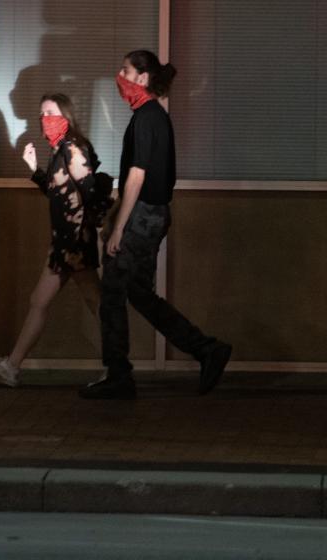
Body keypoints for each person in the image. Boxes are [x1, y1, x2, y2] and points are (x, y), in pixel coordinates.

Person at [79, 50, 232, 400]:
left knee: (115, 293)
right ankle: (206, 349)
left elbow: (137, 174)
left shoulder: (147, 117)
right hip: (151, 213)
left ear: (143, 78)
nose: (120, 76)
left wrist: (119, 226)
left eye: (126, 70)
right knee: (137, 292)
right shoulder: (150, 117)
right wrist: (117, 215)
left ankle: (119, 375)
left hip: (143, 215)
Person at [0, 93, 107, 386]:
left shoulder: (72, 148)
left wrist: (86, 233)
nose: (46, 119)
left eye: (52, 112)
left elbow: (88, 194)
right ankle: (11, 366)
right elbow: (61, 195)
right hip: (66, 242)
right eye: (42, 113)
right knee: (58, 301)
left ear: (67, 115)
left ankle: (117, 364)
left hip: (72, 243)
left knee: (92, 302)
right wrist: (36, 171)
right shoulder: (61, 149)